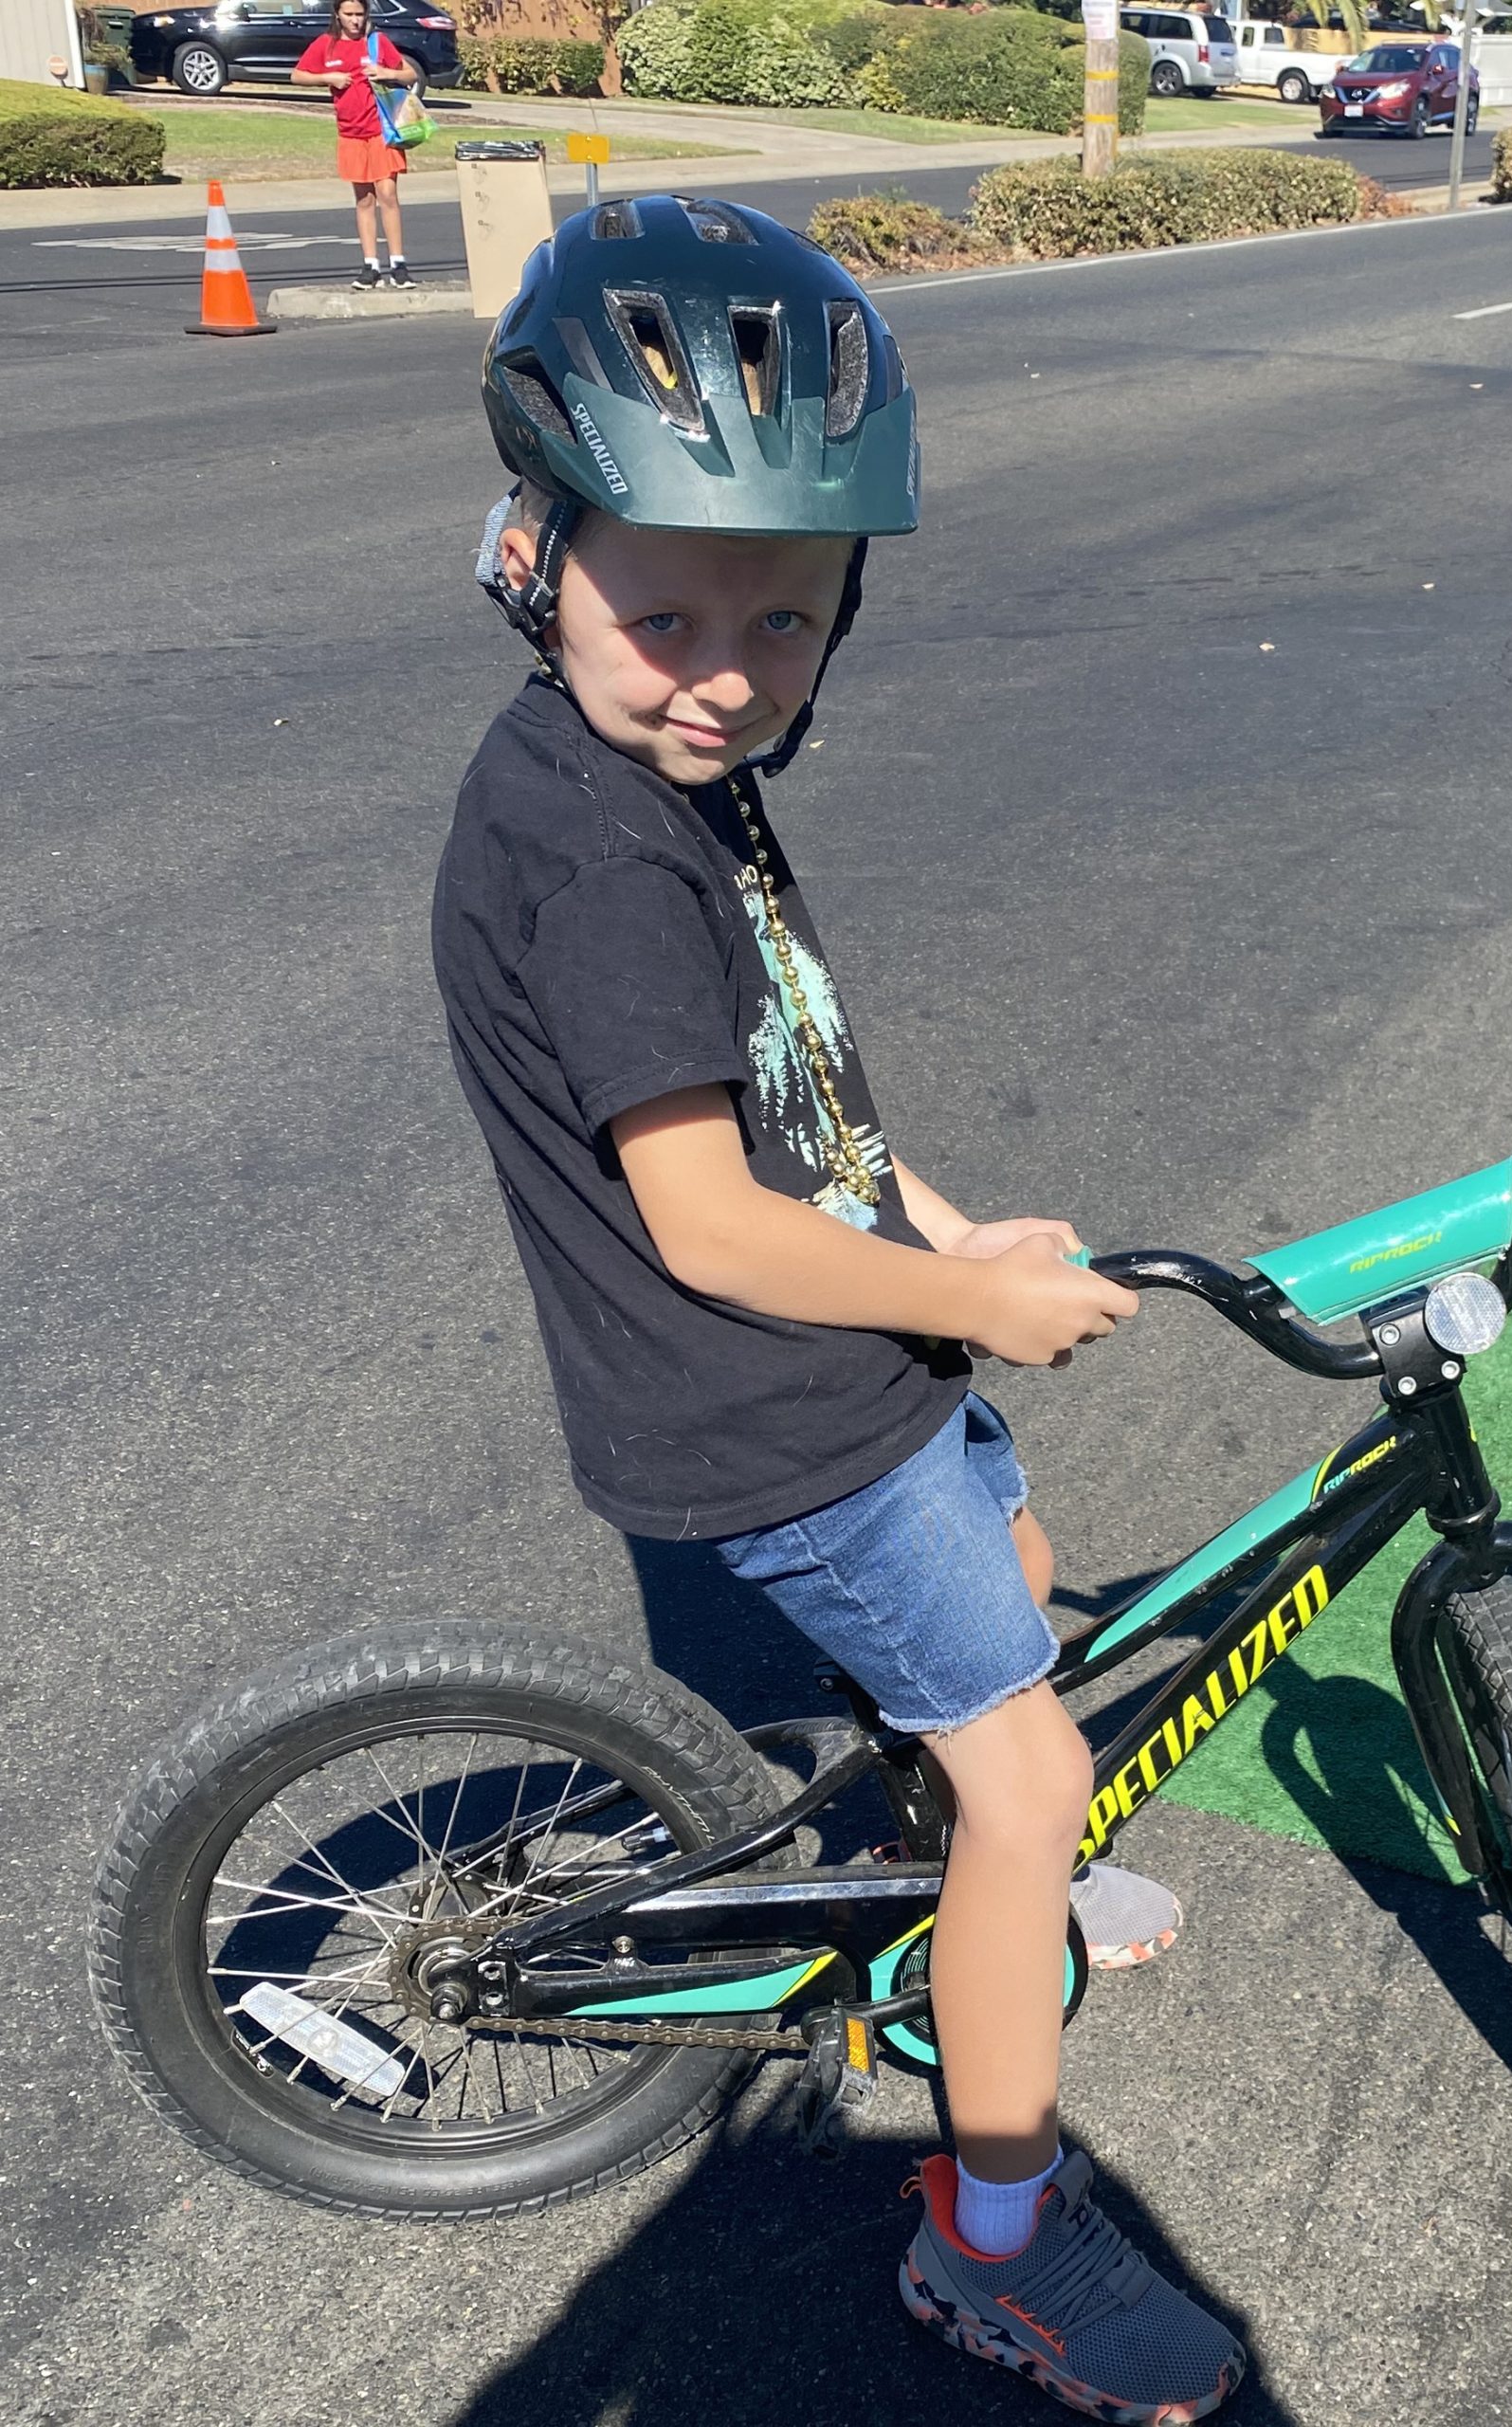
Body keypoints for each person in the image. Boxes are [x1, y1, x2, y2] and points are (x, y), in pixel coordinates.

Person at [432, 196, 1245, 2419]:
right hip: (767, 1396)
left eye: (784, 618)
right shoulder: (603, 852)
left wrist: (956, 1243)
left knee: (1014, 1574)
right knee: (1023, 1767)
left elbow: (802, 1087)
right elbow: (710, 1221)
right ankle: (991, 2242)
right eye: (662, 602)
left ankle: (995, 1892)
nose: (721, 665)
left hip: (848, 1364)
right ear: (535, 545)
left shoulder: (677, 781)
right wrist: (956, 1307)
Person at [291, 0, 415, 289]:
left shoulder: (377, 42)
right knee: (364, 199)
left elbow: (409, 73)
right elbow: (297, 75)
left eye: (360, 14)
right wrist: (326, 78)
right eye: (349, 14)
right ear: (338, 14)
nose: (355, 20)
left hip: (382, 131)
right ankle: (370, 266)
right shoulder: (326, 45)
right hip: (350, 133)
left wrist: (388, 73)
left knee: (387, 193)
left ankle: (398, 264)